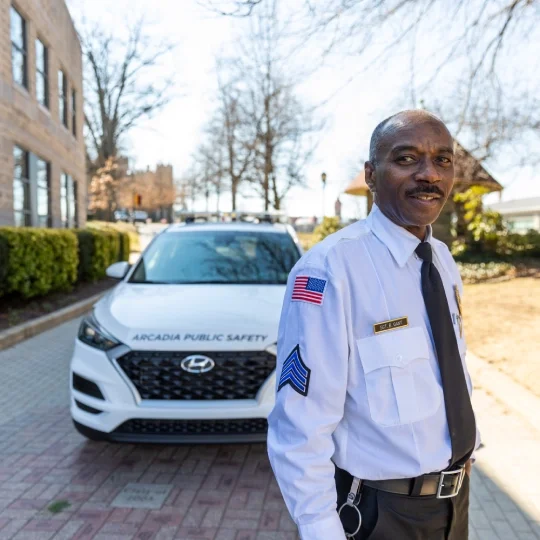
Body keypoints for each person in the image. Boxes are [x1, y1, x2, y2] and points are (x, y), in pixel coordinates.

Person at [267, 110, 480, 540]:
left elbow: (446, 369)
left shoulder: (442, 261)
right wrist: (320, 528)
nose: (429, 175)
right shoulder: (329, 271)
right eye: (406, 159)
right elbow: (299, 426)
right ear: (370, 174)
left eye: (442, 160)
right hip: (382, 515)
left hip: (456, 503)